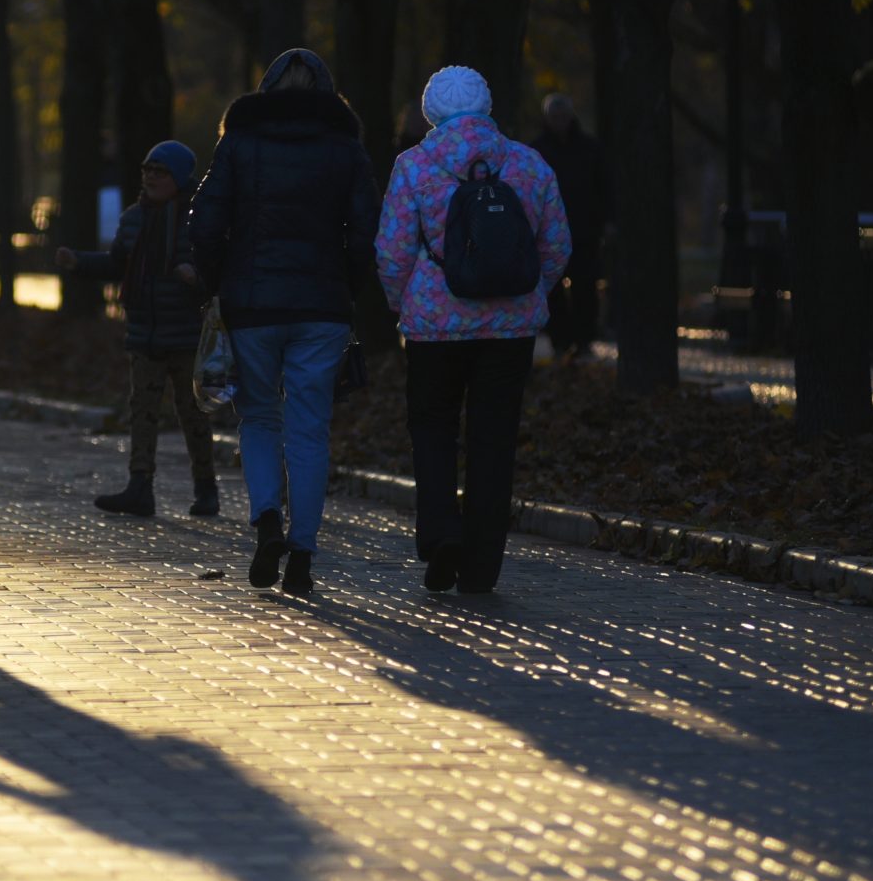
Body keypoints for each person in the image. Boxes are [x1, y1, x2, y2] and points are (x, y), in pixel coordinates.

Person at [180, 49, 377, 599]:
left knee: (260, 417)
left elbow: (207, 219)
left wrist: (219, 280)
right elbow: (366, 231)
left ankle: (268, 522)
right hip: (322, 308)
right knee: (310, 427)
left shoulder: (240, 142)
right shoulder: (345, 148)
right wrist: (346, 286)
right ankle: (303, 554)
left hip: (253, 305)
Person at [377, 66, 571, 595]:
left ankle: (442, 535)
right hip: (510, 330)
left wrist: (406, 305)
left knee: (433, 429)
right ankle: (482, 566)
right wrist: (527, 295)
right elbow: (556, 247)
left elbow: (393, 251)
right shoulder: (529, 164)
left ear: (430, 113)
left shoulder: (414, 167)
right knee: (494, 439)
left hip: (435, 328)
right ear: (486, 107)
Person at [56, 140, 218, 518]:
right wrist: (78, 262)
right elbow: (117, 264)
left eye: (159, 172)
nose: (151, 178)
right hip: (144, 332)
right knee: (141, 410)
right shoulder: (134, 218)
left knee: (192, 413)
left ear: (179, 177)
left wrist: (196, 277)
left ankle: (206, 488)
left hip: (185, 333)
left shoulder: (200, 217)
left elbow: (217, 267)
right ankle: (139, 486)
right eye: (147, 171)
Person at [530, 92, 607, 359]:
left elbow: (603, 187)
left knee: (585, 287)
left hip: (584, 229)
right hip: (549, 232)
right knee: (553, 289)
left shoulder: (590, 148)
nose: (560, 121)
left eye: (563, 116)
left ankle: (583, 339)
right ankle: (561, 339)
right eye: (555, 116)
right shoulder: (538, 150)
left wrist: (605, 220)